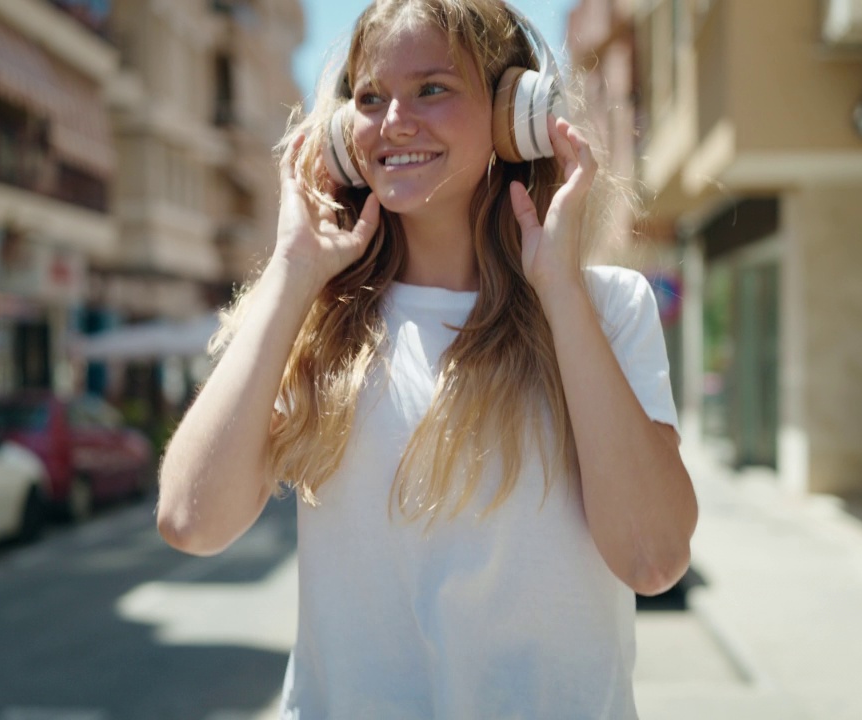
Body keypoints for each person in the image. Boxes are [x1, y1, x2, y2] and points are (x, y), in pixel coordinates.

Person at [157, 1, 697, 717]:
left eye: (432, 89)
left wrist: (559, 288)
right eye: (370, 97)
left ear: (516, 114)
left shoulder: (605, 308)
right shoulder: (311, 319)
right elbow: (192, 521)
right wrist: (291, 271)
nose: (394, 122)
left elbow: (654, 559)